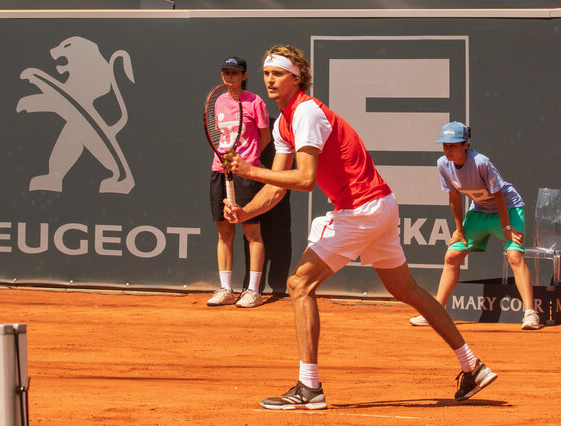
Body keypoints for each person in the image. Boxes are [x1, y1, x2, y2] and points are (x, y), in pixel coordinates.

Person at [222, 45, 496, 410]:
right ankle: (471, 366)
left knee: (298, 284)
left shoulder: (305, 111)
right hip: (380, 205)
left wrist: (250, 169)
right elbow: (276, 189)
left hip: (362, 209)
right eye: (266, 73)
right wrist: (244, 213)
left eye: (278, 73)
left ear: (297, 77)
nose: (270, 79)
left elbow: (304, 179)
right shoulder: (284, 121)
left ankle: (309, 387)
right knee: (408, 290)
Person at [409, 122, 542, 330]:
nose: (447, 150)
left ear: (465, 144)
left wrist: (507, 229)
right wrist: (459, 229)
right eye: (445, 145)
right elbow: (453, 197)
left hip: (508, 209)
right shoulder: (443, 164)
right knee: (451, 256)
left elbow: (498, 195)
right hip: (479, 211)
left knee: (515, 256)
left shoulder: (481, 162)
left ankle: (530, 314)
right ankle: (436, 312)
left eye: (452, 145)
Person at [206, 56, 271, 308]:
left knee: (251, 232)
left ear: (244, 75)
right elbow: (220, 135)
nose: (229, 76)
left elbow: (264, 137)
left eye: (234, 72)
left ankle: (253, 291)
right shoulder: (219, 101)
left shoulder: (255, 102)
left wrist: (249, 160)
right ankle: (226, 289)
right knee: (224, 231)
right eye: (225, 72)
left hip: (245, 172)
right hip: (218, 170)